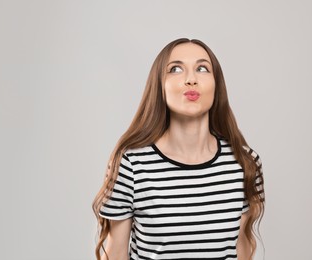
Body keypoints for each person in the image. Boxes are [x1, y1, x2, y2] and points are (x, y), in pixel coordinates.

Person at [92, 38, 265, 260]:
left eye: (202, 68)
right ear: (159, 86)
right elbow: (115, 253)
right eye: (175, 69)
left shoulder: (245, 163)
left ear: (217, 84)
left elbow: (242, 249)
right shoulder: (131, 164)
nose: (191, 79)